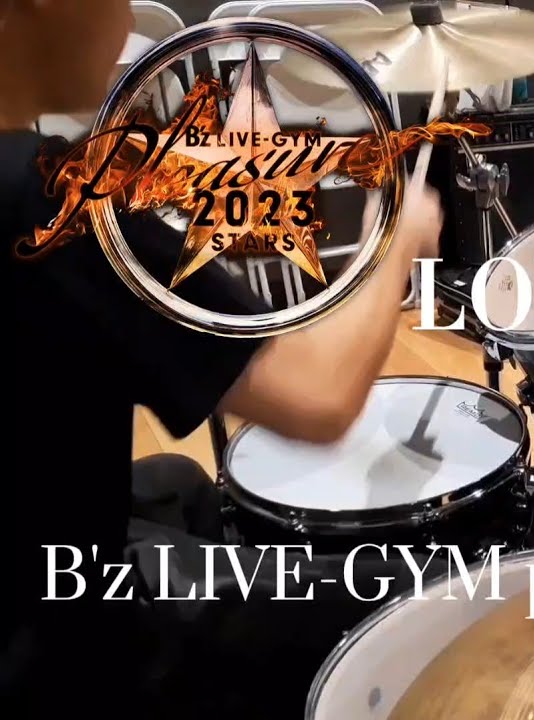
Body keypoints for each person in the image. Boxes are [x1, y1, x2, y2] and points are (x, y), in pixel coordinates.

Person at [1, 0, 443, 715]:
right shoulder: (51, 202)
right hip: (54, 642)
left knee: (180, 481)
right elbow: (320, 398)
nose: (125, 23)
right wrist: (393, 242)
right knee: (413, 592)